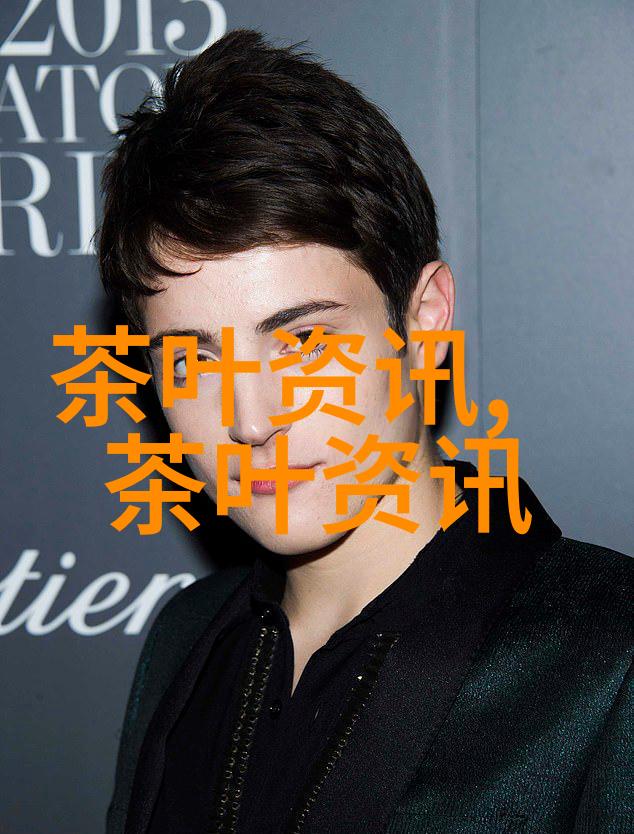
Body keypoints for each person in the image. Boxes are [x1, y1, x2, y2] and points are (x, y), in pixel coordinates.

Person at [98, 28, 632, 834]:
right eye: (192, 359)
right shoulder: (183, 642)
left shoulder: (607, 658)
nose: (250, 419)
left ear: (424, 321)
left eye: (304, 340)